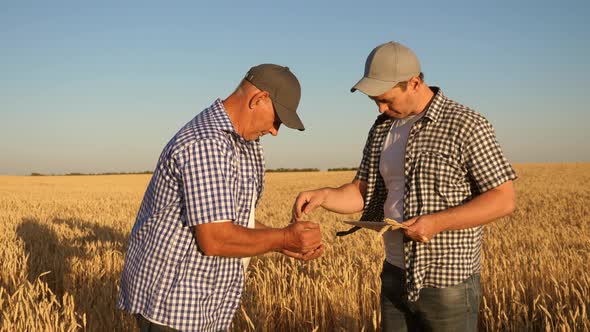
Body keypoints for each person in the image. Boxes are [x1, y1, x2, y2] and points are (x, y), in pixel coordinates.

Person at [292, 41, 517, 332]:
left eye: (387, 100)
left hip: (447, 282)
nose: (381, 108)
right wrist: (323, 195)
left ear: (414, 83)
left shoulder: (467, 125)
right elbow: (362, 192)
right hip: (395, 274)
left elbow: (503, 199)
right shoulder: (382, 128)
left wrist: (436, 223)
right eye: (375, 101)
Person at [118, 64, 324, 332]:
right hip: (173, 307)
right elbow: (216, 238)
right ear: (259, 99)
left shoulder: (241, 143)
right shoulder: (206, 143)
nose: (275, 131)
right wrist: (283, 238)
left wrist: (284, 240)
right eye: (277, 120)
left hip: (204, 306)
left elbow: (233, 220)